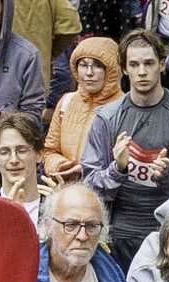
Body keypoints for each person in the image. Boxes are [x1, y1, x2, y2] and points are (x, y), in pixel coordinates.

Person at [80, 30, 169, 267]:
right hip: (117, 234)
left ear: (162, 65)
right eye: (134, 65)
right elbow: (88, 186)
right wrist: (117, 169)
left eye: (148, 63)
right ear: (124, 69)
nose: (141, 71)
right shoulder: (107, 118)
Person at [37, 184, 135, 282]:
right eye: (71, 225)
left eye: (91, 226)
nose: (82, 236)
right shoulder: (25, 278)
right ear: (48, 226)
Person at [44, 36, 120, 179]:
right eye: (84, 65)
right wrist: (60, 166)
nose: (89, 72)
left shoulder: (123, 107)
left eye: (97, 66)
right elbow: (49, 150)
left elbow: (124, 163)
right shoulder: (66, 101)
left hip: (104, 189)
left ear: (111, 69)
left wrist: (86, 170)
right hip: (66, 187)